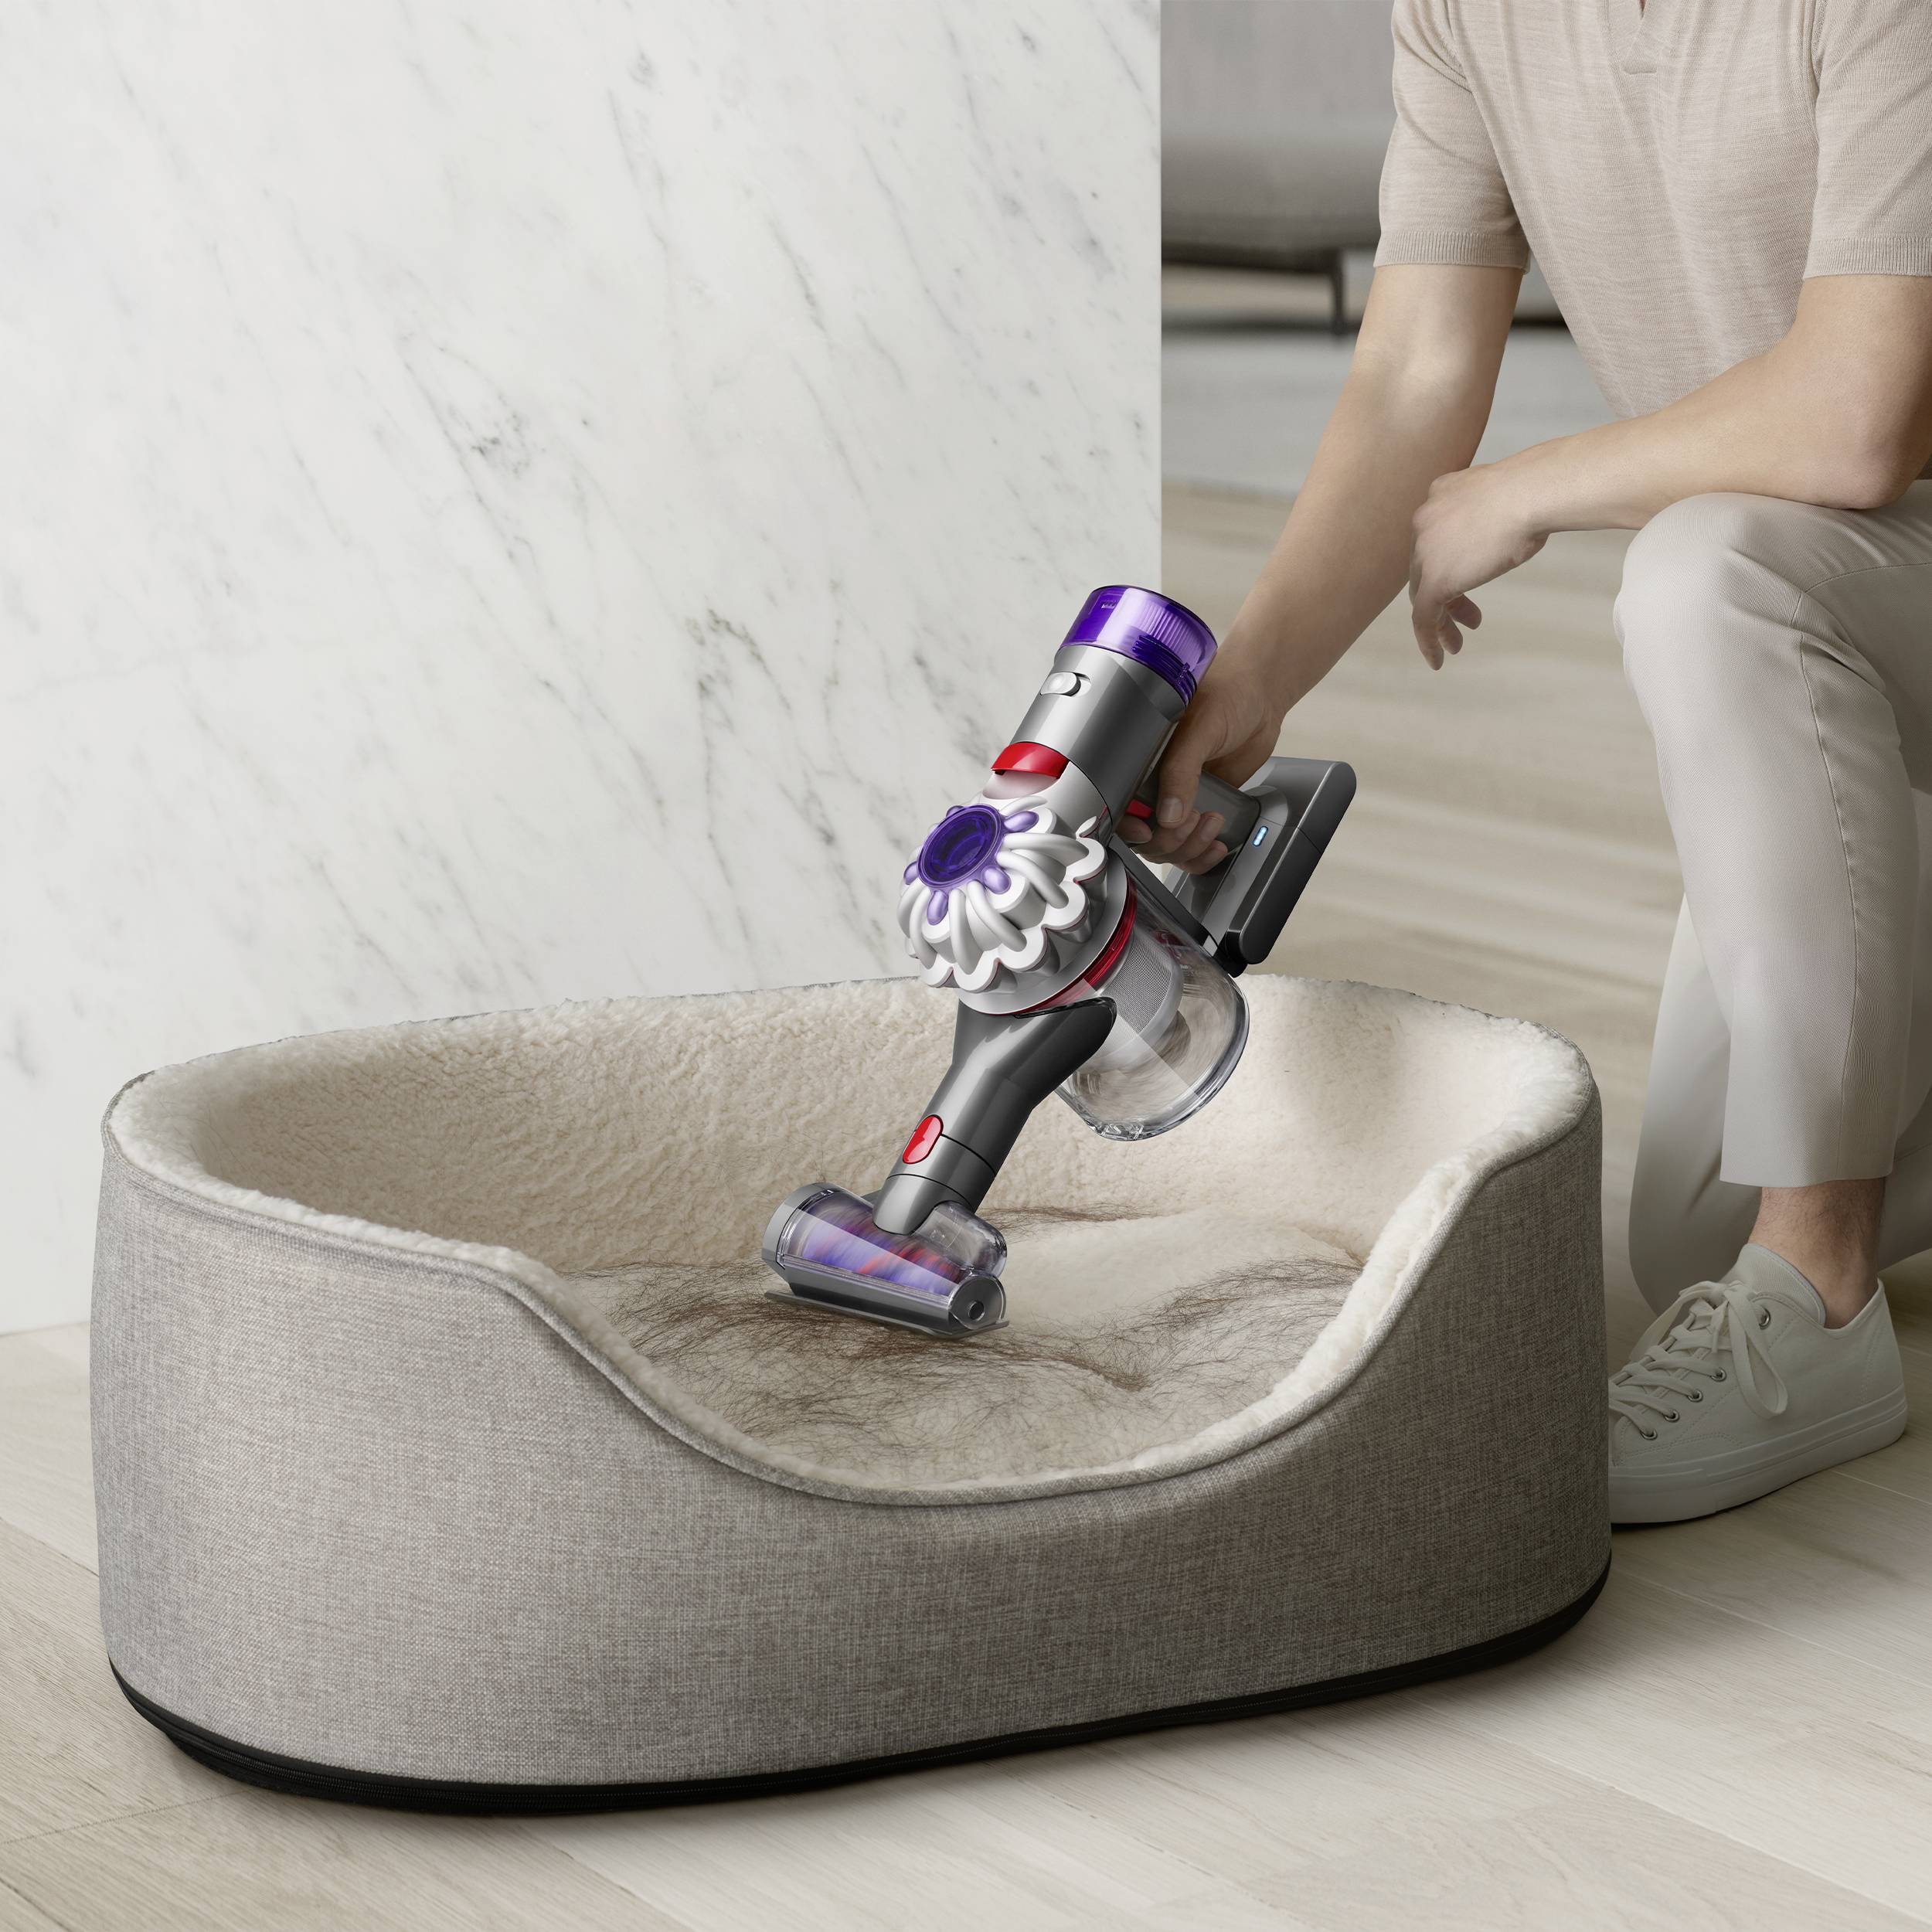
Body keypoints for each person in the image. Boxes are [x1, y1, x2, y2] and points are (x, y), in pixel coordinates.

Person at [1126, 0, 1932, 1523]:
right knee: (1697, 1227)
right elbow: (1411, 373)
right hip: (1870, 622)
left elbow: (1857, 415)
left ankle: (1819, 1292)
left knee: (1706, 567)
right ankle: (1788, 1231)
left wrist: (1530, 488)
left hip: (1860, 562)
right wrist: (1248, 678)